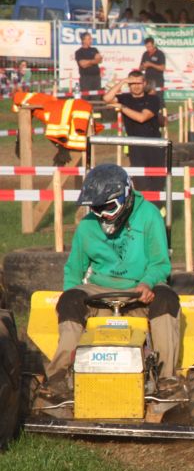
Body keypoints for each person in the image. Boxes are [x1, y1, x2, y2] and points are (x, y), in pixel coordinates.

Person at [35, 164, 181, 404]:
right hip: (99, 290)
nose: (103, 214)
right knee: (70, 300)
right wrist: (67, 295)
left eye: (108, 207)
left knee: (167, 299)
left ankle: (166, 378)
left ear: (127, 194)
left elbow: (160, 264)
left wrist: (146, 283)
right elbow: (74, 269)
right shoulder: (87, 226)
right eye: (96, 208)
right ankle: (59, 376)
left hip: (139, 288)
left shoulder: (149, 216)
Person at [103, 71, 166, 200]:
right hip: (136, 146)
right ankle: (142, 212)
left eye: (139, 83)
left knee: (157, 182)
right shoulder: (125, 97)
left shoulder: (153, 99)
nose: (136, 86)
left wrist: (122, 107)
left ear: (144, 84)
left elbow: (142, 118)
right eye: (132, 83)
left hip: (154, 145)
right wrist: (121, 82)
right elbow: (107, 99)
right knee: (140, 182)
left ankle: (159, 211)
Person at [75, 31, 103, 97]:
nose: (91, 40)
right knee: (86, 97)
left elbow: (99, 60)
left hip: (96, 77)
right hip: (86, 78)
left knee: (96, 97)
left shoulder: (94, 50)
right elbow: (83, 65)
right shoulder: (79, 52)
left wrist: (88, 62)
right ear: (83, 40)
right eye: (89, 39)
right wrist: (93, 61)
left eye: (91, 39)